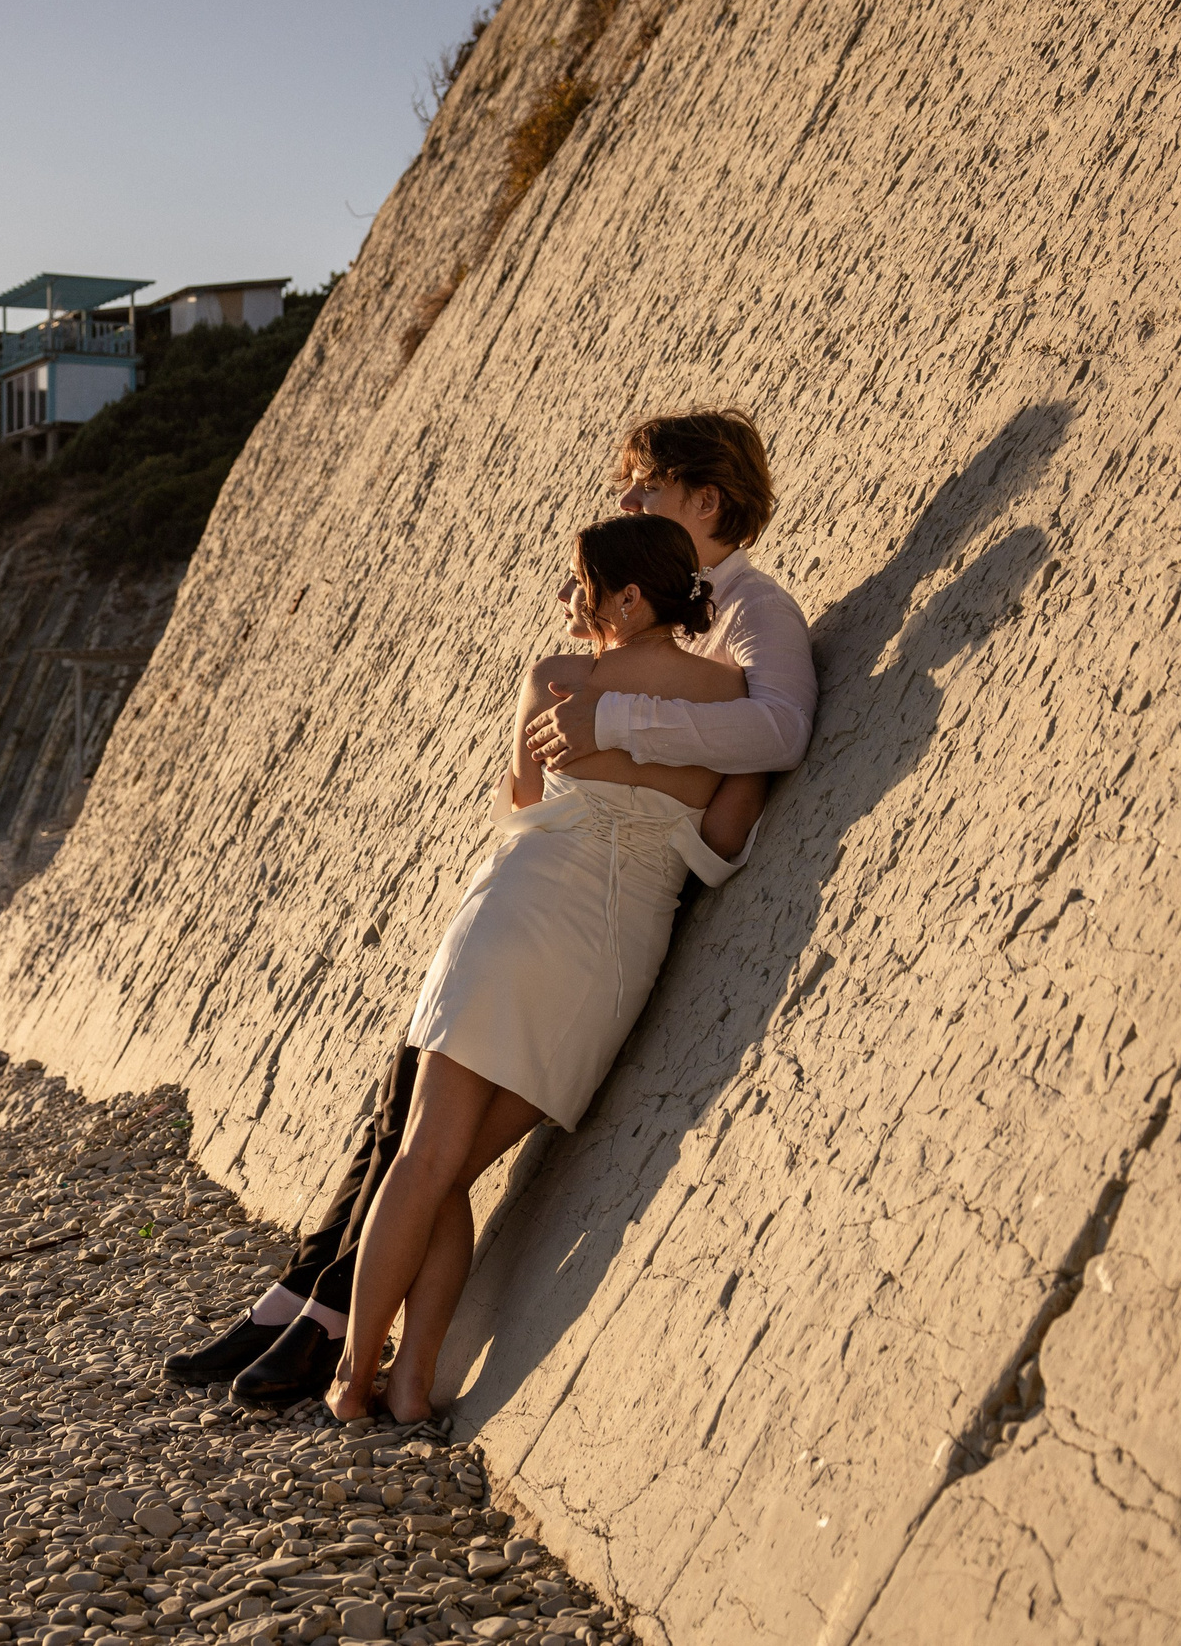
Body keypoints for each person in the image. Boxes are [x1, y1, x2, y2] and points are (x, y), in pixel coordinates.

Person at [168, 408, 816, 1413]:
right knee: (423, 1145)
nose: (626, 502)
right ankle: (344, 1335)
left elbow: (771, 729)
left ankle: (342, 1363)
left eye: (642, 489)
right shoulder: (703, 660)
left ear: (706, 501)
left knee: (422, 1152)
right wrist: (672, 822)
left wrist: (612, 720)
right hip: (621, 932)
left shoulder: (734, 621)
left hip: (533, 894)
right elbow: (728, 827)